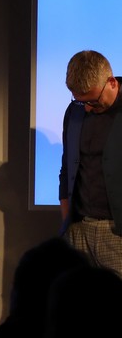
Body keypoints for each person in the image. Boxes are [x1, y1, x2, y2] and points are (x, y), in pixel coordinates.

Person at [59, 49, 122, 278]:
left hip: (116, 234)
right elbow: (67, 168)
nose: (86, 108)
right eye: (80, 100)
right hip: (78, 230)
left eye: (93, 101)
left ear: (111, 82)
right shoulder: (75, 111)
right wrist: (67, 222)